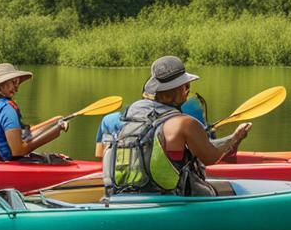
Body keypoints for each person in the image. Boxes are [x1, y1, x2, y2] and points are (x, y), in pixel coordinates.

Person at [104, 56, 250, 196]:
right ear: (181, 89)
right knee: (228, 189)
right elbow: (210, 157)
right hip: (172, 200)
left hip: (121, 197)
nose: (188, 91)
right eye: (187, 86)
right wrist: (235, 137)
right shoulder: (185, 123)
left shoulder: (125, 119)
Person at [0, 63, 65, 161]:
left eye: (18, 83)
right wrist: (55, 132)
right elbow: (18, 151)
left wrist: (55, 122)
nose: (16, 88)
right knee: (57, 160)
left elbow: (18, 132)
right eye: (14, 83)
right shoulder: (6, 108)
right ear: (2, 83)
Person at [95, 91, 208, 158]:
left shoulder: (108, 119)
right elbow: (206, 156)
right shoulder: (185, 117)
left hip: (114, 178)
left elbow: (100, 156)